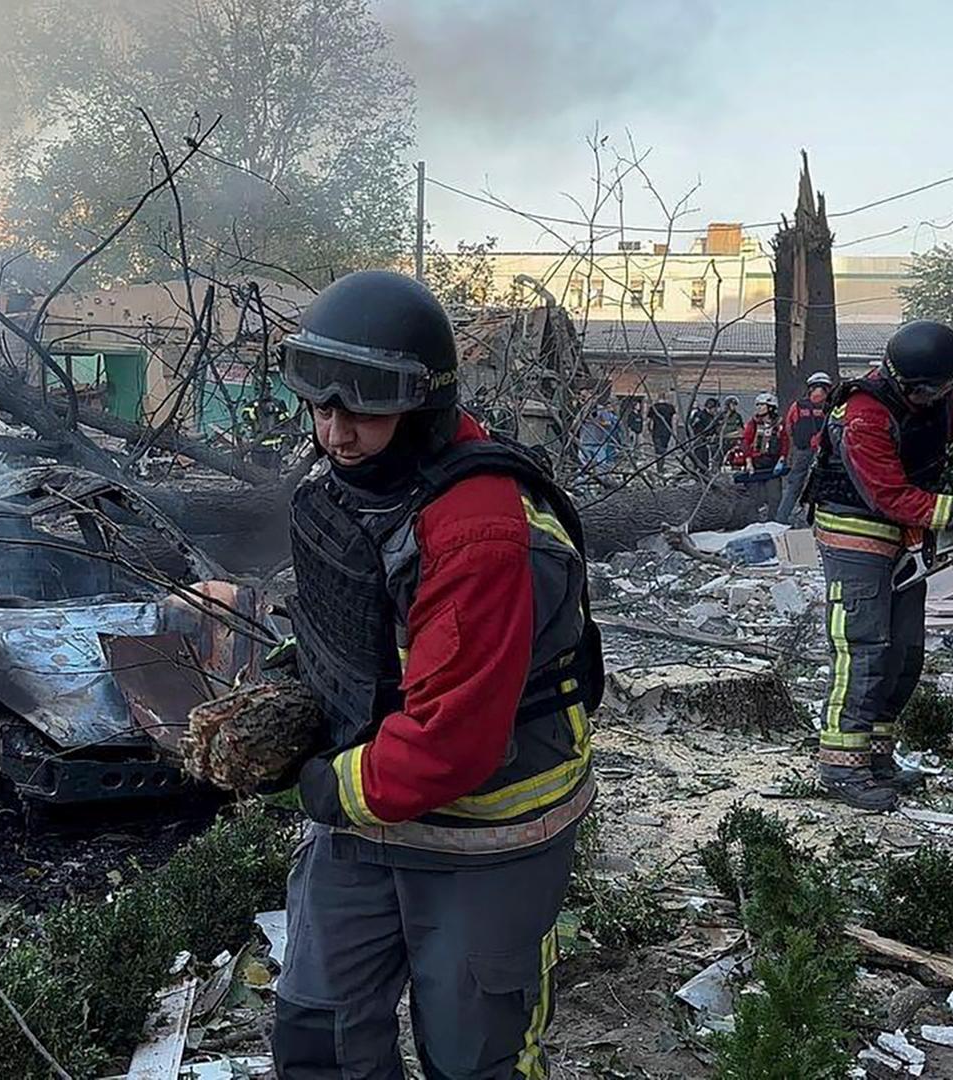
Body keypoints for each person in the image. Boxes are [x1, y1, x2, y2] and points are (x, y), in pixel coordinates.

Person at [272, 269, 605, 1079]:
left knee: (473, 1058)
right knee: (320, 1038)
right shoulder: (357, 481)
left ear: (422, 404)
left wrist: (322, 787)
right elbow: (350, 620)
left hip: (486, 831)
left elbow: (454, 741)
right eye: (322, 406)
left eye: (364, 409)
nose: (336, 433)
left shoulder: (481, 532)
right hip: (371, 813)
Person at [807, 320, 953, 811]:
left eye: (937, 389)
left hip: (906, 533)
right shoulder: (862, 414)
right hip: (855, 530)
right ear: (901, 379)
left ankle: (876, 754)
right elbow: (892, 498)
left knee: (904, 650)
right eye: (920, 390)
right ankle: (841, 765)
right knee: (863, 647)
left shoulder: (948, 395)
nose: (928, 397)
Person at [775, 372, 833, 524]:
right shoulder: (832, 407)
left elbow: (789, 428)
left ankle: (781, 519)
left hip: (802, 450)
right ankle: (818, 522)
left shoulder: (798, 406)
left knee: (794, 485)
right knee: (824, 486)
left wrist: (796, 447)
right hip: (826, 453)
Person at [736, 391, 785, 516]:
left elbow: (785, 442)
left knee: (775, 497)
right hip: (756, 464)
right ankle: (753, 522)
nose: (758, 408)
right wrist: (748, 462)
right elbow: (746, 443)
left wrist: (782, 459)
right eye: (757, 405)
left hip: (773, 465)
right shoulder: (753, 424)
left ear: (770, 407)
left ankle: (773, 521)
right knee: (755, 497)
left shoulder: (779, 424)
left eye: (761, 405)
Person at [688, 397, 721, 469]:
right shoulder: (700, 415)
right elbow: (693, 427)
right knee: (701, 459)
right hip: (699, 442)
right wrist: (702, 436)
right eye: (714, 409)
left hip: (708, 441)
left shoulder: (713, 417)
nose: (716, 411)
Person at [649, 397, 677, 462]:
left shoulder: (653, 407)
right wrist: (674, 430)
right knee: (664, 448)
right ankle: (662, 463)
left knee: (658, 449)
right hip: (667, 431)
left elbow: (649, 421)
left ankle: (659, 466)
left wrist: (650, 430)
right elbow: (674, 420)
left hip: (656, 431)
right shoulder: (670, 407)